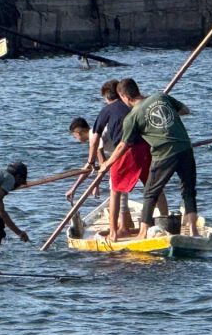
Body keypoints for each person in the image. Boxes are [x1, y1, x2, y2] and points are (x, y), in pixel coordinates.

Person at [103, 78, 198, 239]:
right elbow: (185, 110)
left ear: (124, 96)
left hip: (164, 154)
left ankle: (143, 233)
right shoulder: (161, 97)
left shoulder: (132, 117)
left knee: (149, 193)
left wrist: (107, 163)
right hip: (185, 148)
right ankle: (194, 232)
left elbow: (122, 146)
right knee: (188, 192)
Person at [73, 79, 167, 241]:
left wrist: (90, 162)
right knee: (154, 187)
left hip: (126, 151)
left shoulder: (107, 110)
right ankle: (165, 224)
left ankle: (114, 233)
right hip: (147, 148)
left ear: (107, 97)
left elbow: (94, 138)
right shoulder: (136, 105)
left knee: (115, 190)